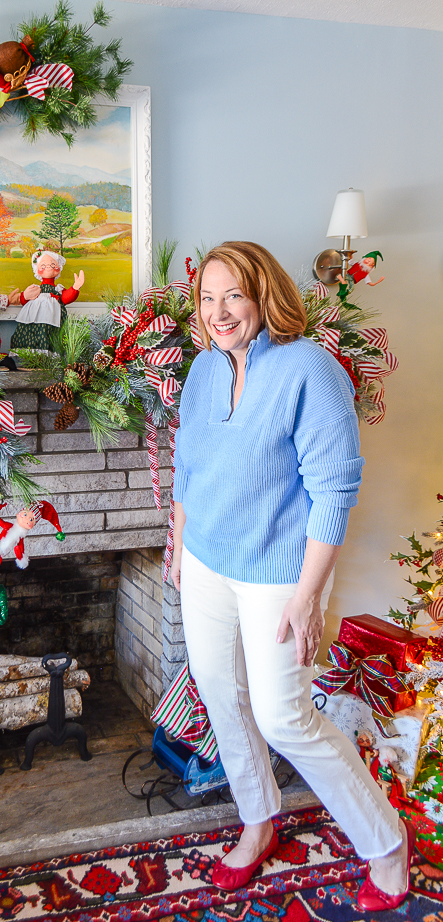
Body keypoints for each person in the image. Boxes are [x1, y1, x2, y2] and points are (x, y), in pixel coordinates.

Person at [169, 241, 414, 912]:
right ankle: (259, 819)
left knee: (285, 716)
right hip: (207, 561)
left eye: (234, 297)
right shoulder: (203, 370)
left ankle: (386, 844)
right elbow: (187, 464)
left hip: (280, 570)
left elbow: (334, 490)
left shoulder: (310, 368)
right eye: (208, 298)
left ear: (265, 297)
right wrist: (178, 540)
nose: (220, 313)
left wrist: (309, 599)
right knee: (222, 694)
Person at [11, 250, 85, 351]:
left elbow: (65, 298)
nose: (49, 266)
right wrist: (24, 296)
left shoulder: (57, 289)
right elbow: (24, 300)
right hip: (32, 321)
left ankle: (48, 358)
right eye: (43, 265)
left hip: (53, 321)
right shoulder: (35, 289)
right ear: (37, 269)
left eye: (53, 264)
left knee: (52, 337)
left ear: (59, 267)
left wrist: (75, 288)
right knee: (30, 335)